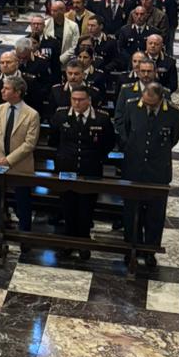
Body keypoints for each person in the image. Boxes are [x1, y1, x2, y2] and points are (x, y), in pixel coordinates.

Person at [119, 82, 179, 267]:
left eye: (151, 104)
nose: (148, 106)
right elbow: (127, 129)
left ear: (160, 99)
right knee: (131, 212)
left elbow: (173, 138)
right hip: (134, 169)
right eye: (145, 102)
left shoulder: (173, 113)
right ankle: (132, 247)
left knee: (155, 215)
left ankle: (149, 251)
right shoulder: (132, 106)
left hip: (158, 171)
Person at [50, 84, 115, 256]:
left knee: (86, 208)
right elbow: (54, 139)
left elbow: (108, 143)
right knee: (68, 206)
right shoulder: (61, 115)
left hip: (90, 169)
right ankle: (68, 241)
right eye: (74, 99)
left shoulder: (101, 118)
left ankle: (83, 241)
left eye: (81, 100)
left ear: (89, 100)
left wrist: (97, 158)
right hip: (66, 168)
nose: (77, 103)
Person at [0, 73, 40, 245]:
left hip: (20, 165)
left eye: (6, 88)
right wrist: (0, 157)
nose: (2, 91)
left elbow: (29, 144)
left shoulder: (31, 114)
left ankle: (25, 237)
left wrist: (9, 159)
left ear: (18, 92)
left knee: (23, 202)